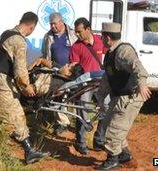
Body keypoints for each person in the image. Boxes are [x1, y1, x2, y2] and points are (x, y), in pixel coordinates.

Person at [0, 12, 50, 164]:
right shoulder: (19, 40)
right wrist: (26, 87)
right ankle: (29, 151)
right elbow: (20, 70)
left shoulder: (6, 34)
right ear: (32, 27)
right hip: (0, 83)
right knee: (16, 114)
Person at [95, 22, 151, 170]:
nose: (100, 38)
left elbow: (138, 67)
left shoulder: (123, 50)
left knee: (113, 131)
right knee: (107, 125)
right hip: (118, 96)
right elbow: (107, 78)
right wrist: (100, 98)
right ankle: (124, 155)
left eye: (102, 35)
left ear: (107, 37)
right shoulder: (110, 54)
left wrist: (142, 84)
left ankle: (112, 160)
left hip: (130, 97)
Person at [69, 17, 105, 155]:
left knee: (106, 111)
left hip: (101, 83)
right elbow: (74, 67)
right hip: (84, 85)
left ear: (88, 29)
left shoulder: (101, 41)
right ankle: (81, 143)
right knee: (83, 112)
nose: (77, 35)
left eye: (79, 32)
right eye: (76, 32)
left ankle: (98, 140)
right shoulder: (76, 47)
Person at [41, 12, 78, 135]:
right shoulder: (48, 36)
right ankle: (63, 123)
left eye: (54, 24)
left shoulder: (72, 33)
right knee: (57, 96)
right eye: (51, 24)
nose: (52, 27)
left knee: (73, 97)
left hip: (72, 71)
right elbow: (45, 55)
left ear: (61, 22)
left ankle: (77, 122)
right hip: (56, 71)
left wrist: (74, 65)